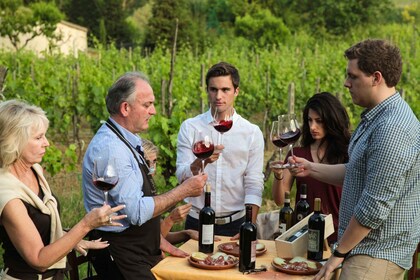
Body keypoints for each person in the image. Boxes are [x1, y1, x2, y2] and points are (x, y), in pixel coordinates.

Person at [290, 39, 420, 280]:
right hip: (364, 251)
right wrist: (310, 168)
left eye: (353, 76)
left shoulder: (392, 128)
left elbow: (374, 206)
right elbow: (356, 172)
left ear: (376, 77)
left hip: (374, 257)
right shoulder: (376, 118)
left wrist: (339, 252)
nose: (346, 83)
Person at [82, 72, 207, 279]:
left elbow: (135, 201)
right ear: (125, 108)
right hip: (122, 253)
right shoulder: (112, 148)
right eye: (147, 104)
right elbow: (136, 212)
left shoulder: (126, 140)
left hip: (138, 248)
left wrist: (156, 240)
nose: (154, 111)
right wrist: (183, 190)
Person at [0, 99, 126, 280]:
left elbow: (40, 225)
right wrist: (85, 225)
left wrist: (73, 240)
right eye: (38, 137)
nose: (47, 143)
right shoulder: (7, 195)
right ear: (14, 142)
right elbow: (38, 259)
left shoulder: (34, 170)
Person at [176, 62, 265, 237]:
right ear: (207, 91)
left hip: (236, 223)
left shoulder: (251, 132)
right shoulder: (190, 127)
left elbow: (254, 182)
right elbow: (181, 176)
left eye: (225, 90)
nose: (218, 96)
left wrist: (250, 224)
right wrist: (200, 162)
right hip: (196, 221)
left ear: (236, 91)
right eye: (213, 89)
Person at [271, 92, 351, 243]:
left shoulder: (347, 154)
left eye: (319, 121)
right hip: (303, 235)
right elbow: (280, 200)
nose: (313, 127)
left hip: (338, 236)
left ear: (332, 120)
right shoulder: (298, 154)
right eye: (309, 120)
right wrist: (278, 175)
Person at [142, 138, 199, 244]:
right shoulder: (136, 192)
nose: (151, 167)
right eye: (146, 162)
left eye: (154, 161)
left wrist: (187, 234)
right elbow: (151, 242)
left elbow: (159, 234)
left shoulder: (150, 186)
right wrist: (171, 219)